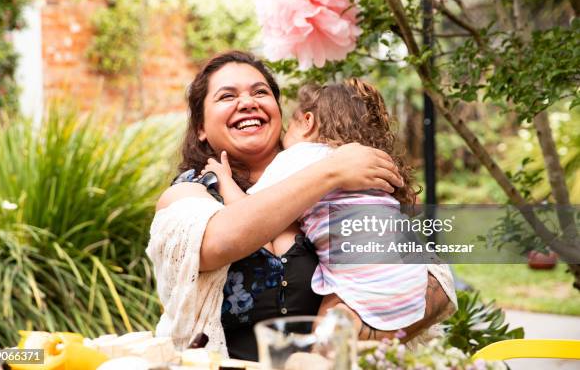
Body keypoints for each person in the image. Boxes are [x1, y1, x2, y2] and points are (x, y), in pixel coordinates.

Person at [146, 51, 456, 361]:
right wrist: (332, 171)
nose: (248, 102)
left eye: (260, 92)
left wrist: (352, 333)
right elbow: (216, 242)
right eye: (227, 96)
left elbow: (435, 278)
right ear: (200, 126)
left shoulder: (345, 180)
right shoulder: (191, 191)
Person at [202, 79, 428, 334]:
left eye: (291, 125)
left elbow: (249, 210)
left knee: (318, 353)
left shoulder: (298, 157)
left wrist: (223, 180)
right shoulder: (367, 163)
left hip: (360, 288)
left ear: (307, 122)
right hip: (411, 282)